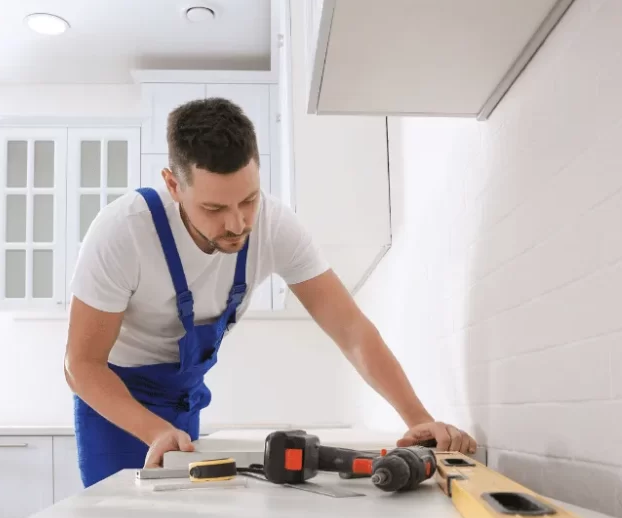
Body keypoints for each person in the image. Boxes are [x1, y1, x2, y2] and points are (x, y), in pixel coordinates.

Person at [63, 97, 476, 487]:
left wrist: (418, 418)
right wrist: (152, 429)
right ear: (173, 186)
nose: (238, 223)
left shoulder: (276, 227)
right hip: (113, 400)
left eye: (249, 199)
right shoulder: (124, 232)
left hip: (183, 401)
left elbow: (351, 330)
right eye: (213, 209)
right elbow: (81, 365)